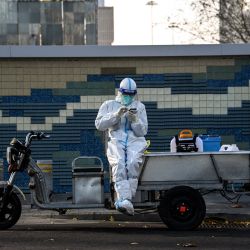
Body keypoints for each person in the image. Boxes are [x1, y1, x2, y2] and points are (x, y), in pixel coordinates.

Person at [95, 78, 148, 215]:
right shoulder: (109, 105)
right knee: (118, 163)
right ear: (120, 91)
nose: (128, 97)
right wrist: (116, 115)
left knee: (133, 163)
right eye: (126, 94)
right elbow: (99, 125)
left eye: (131, 94)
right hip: (116, 140)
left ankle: (125, 200)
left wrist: (135, 120)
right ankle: (125, 199)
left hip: (134, 141)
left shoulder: (140, 106)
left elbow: (142, 131)